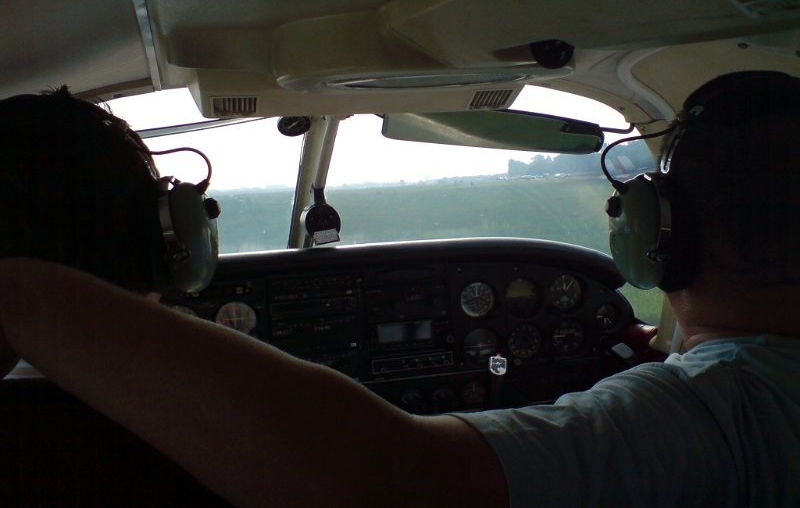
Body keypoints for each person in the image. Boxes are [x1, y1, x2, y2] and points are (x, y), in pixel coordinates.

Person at [0, 72, 798, 507]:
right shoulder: (737, 406)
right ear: (169, 243)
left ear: (661, 233)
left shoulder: (720, 416)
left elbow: (391, 479)